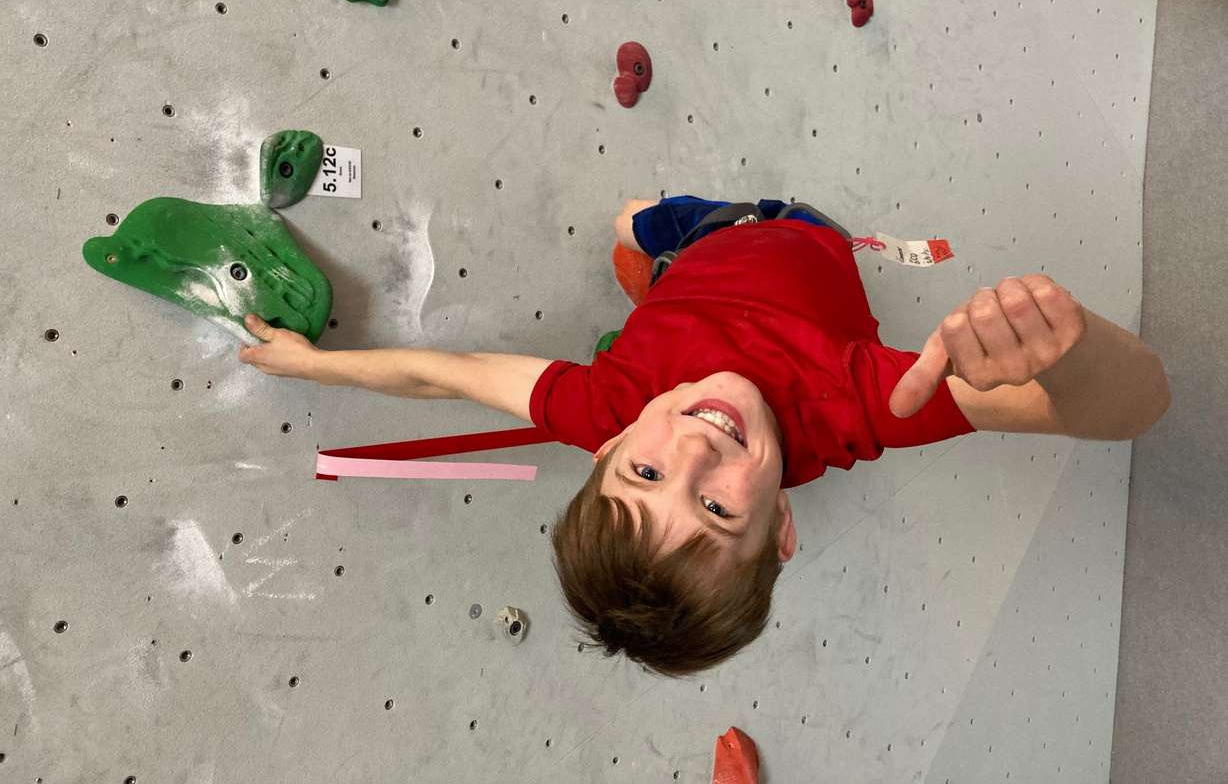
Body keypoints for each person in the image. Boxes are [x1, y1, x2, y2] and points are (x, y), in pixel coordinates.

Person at [238, 195, 1171, 677]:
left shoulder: (604, 402)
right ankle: (664, 270)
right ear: (784, 528)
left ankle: (650, 274)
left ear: (603, 450)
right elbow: (1137, 407)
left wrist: (309, 364)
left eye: (644, 471)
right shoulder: (855, 407)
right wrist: (1072, 347)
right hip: (808, 235)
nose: (692, 449)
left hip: (707, 235)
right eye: (720, 509)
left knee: (632, 224)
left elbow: (444, 373)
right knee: (696, 232)